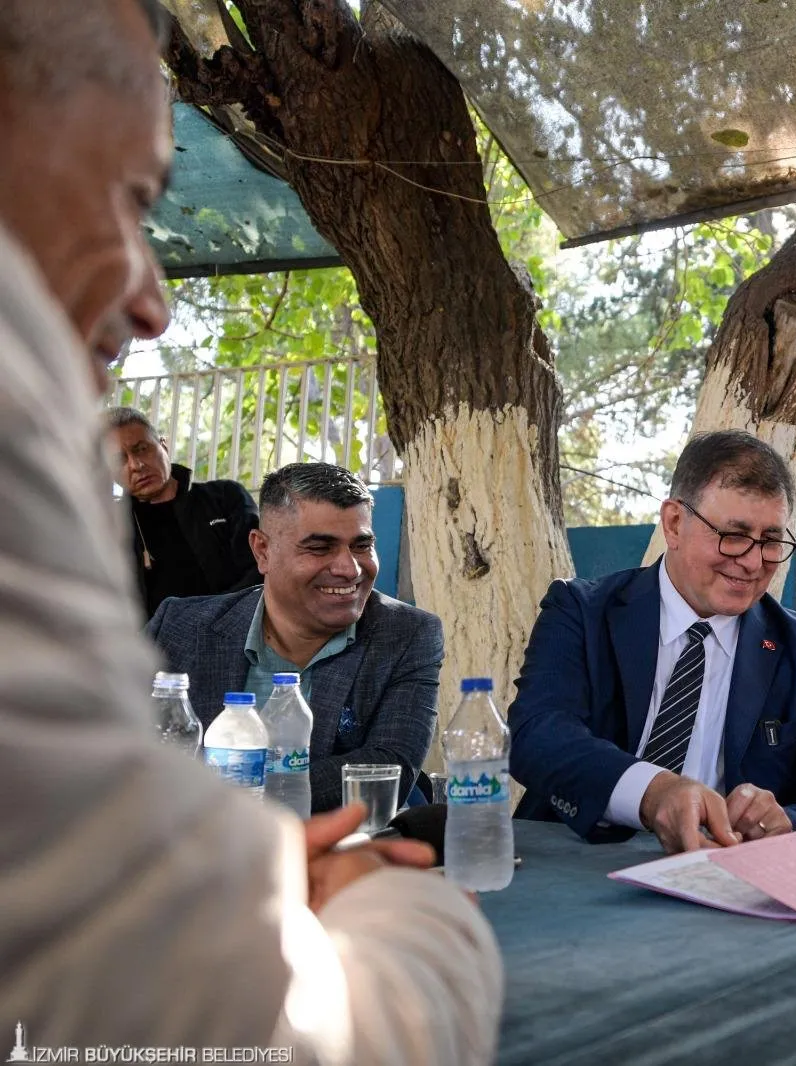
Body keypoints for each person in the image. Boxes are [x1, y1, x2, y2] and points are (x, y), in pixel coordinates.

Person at [0, 2, 502, 1057]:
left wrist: (212, 845)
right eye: (132, 199)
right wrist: (388, 912)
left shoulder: (408, 641)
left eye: (362, 543)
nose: (154, 305)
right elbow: (237, 1029)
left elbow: (386, 772)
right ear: (258, 551)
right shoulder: (173, 614)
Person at [508, 429, 796, 853]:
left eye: (771, 541)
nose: (753, 562)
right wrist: (653, 791)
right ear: (674, 523)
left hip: (725, 882)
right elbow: (537, 734)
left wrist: (784, 820)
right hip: (575, 867)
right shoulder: (582, 612)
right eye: (733, 535)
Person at [147, 461, 442, 812]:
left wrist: (228, 803)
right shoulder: (180, 626)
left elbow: (388, 764)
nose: (349, 569)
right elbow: (111, 734)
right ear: (262, 551)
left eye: (362, 545)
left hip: (333, 849)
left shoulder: (407, 634)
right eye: (320, 548)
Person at [105, 405, 263, 618]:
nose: (136, 465)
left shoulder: (224, 497)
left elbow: (260, 568)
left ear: (164, 446)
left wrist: (212, 618)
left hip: (234, 630)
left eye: (141, 449)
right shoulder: (110, 525)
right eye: (119, 460)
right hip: (154, 644)